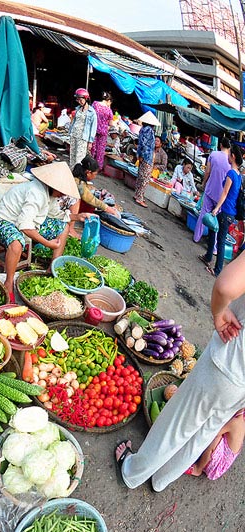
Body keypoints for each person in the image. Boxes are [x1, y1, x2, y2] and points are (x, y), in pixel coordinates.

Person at [114, 249, 245, 493]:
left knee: (176, 424)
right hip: (241, 384)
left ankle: (132, 472)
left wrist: (219, 313)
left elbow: (226, 286)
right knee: (205, 430)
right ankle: (162, 479)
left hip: (227, 363)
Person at [0, 161, 84, 297]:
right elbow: (25, 226)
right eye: (61, 192)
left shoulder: (49, 194)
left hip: (25, 222)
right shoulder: (36, 192)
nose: (62, 195)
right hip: (5, 220)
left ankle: (51, 269)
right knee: (16, 243)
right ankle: (9, 282)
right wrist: (47, 243)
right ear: (53, 185)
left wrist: (78, 217)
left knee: (63, 227)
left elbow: (56, 215)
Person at [201, 146, 242, 277]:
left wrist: (216, 208)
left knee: (221, 239)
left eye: (229, 155)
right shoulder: (238, 175)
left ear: (233, 156)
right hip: (231, 212)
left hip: (225, 211)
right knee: (214, 232)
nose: (228, 157)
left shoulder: (231, 174)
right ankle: (208, 257)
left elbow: (224, 193)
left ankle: (217, 269)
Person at [185, 409, 245, 479]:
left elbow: (214, 433)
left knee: (216, 438)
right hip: (222, 461)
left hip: (218, 466)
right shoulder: (240, 420)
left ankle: (198, 468)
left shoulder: (235, 422)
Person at [196, 137, 232, 244]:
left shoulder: (213, 154)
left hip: (210, 189)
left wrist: (203, 183)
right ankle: (214, 247)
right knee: (216, 220)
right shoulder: (230, 161)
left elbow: (207, 171)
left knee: (203, 213)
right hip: (221, 195)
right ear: (229, 148)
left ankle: (197, 237)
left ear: (221, 144)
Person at [133, 111, 160, 208]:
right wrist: (144, 155)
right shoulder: (148, 130)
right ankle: (139, 197)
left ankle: (137, 194)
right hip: (146, 156)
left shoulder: (143, 129)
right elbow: (145, 144)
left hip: (143, 155)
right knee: (145, 178)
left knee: (141, 176)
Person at [68, 88, 97, 168]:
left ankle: (78, 175)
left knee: (79, 158)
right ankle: (72, 173)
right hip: (74, 135)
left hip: (83, 137)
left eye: (80, 99)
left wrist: (90, 141)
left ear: (86, 98)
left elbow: (93, 127)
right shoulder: (78, 109)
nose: (79, 101)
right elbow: (74, 121)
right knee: (72, 156)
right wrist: (69, 132)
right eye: (77, 99)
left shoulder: (92, 112)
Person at [90, 92, 114, 165]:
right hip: (103, 132)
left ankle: (90, 164)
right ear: (109, 101)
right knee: (100, 150)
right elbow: (111, 123)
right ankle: (97, 167)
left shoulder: (95, 104)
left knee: (92, 148)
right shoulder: (109, 110)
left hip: (94, 130)